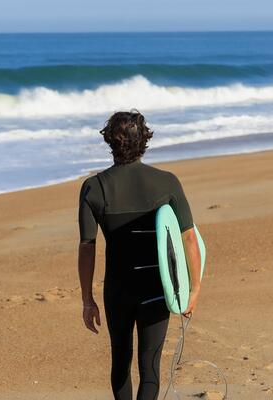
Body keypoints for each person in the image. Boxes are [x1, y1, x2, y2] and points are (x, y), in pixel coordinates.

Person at [77, 110, 202, 400]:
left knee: (120, 359)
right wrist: (192, 289)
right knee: (150, 366)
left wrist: (87, 299)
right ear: (144, 140)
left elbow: (87, 246)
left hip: (118, 290)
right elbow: (189, 237)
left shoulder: (93, 188)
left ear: (109, 141)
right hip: (156, 289)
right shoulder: (167, 182)